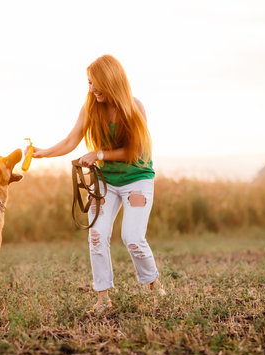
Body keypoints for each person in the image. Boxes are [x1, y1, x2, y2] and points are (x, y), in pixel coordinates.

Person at [29, 54, 165, 311]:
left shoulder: (135, 107)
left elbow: (135, 152)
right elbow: (71, 141)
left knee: (132, 237)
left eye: (95, 83)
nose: (91, 89)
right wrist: (43, 152)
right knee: (96, 235)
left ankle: (153, 285)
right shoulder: (90, 108)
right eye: (88, 83)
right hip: (107, 182)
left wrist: (99, 154)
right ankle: (103, 298)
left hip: (137, 179)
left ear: (111, 81)